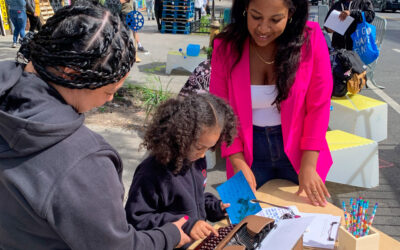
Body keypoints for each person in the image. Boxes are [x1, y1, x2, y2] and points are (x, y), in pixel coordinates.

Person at [0, 1, 190, 249]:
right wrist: (169, 236)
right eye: (109, 91)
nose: (110, 99)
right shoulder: (84, 162)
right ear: (71, 74)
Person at [209, 0, 333, 207]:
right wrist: (237, 161)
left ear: (291, 13)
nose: (263, 29)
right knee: (243, 225)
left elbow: (319, 105)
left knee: (304, 227)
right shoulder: (226, 46)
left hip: (301, 152)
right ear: (245, 8)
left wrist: (309, 165)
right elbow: (219, 110)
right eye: (256, 17)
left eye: (275, 20)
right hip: (243, 151)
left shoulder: (310, 39)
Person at [125, 94, 237, 247]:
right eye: (199, 147)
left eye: (210, 148)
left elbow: (195, 199)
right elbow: (136, 218)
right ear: (180, 135)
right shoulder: (151, 172)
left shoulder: (196, 160)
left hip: (195, 244)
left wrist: (215, 207)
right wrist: (186, 225)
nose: (203, 154)